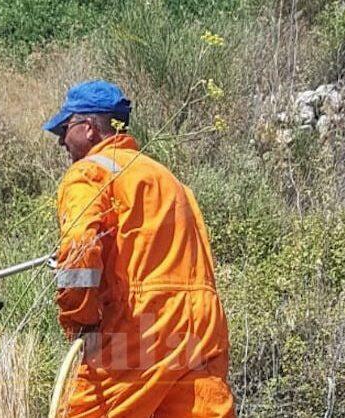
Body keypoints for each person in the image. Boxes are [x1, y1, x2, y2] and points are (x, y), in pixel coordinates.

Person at [46, 80, 234, 417]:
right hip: (202, 330)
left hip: (143, 328)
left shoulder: (89, 172)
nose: (61, 139)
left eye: (66, 127)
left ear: (88, 128)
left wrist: (80, 321)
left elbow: (79, 251)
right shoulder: (168, 178)